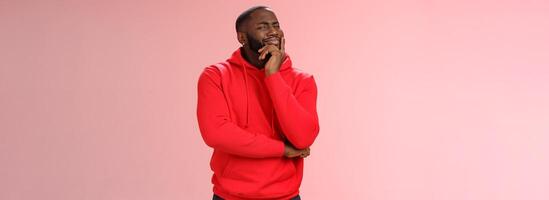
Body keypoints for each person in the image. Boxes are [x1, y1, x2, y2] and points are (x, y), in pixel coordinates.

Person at [197, 6, 319, 200]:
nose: (273, 31)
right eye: (263, 26)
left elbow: (303, 138)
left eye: (276, 25)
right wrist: (281, 149)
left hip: (285, 196)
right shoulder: (215, 76)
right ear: (242, 37)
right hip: (229, 196)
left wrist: (272, 76)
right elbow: (216, 133)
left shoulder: (302, 80)